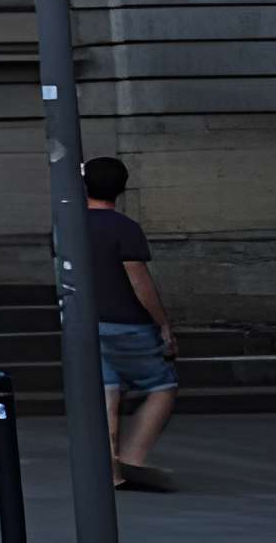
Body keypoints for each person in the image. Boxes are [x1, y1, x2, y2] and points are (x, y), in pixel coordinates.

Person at [82, 155, 180, 491]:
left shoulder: (66, 226)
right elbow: (139, 281)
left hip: (88, 323)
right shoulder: (125, 228)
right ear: (122, 189)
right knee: (162, 386)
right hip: (128, 322)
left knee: (107, 391)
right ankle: (134, 457)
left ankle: (111, 471)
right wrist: (163, 324)